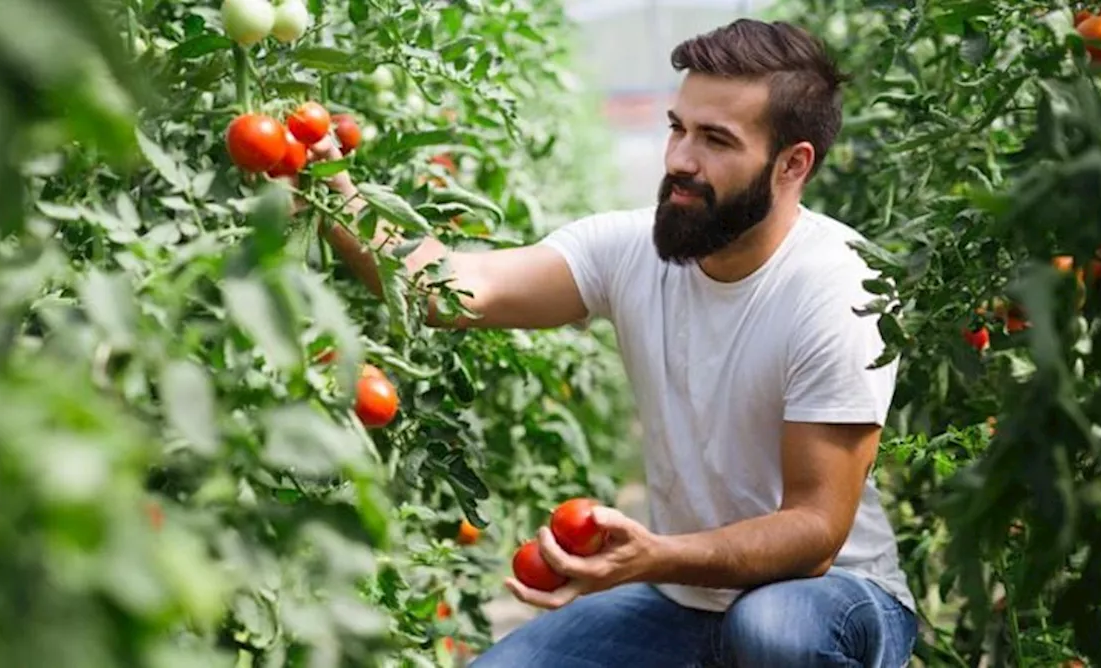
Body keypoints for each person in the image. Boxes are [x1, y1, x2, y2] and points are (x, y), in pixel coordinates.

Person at [305, 17, 917, 668]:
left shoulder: (841, 287)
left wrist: (655, 555)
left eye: (715, 140)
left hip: (833, 596)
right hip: (684, 601)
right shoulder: (630, 248)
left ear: (792, 164)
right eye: (678, 128)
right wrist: (332, 188)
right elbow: (452, 288)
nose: (680, 159)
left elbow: (815, 531)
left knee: (773, 632)